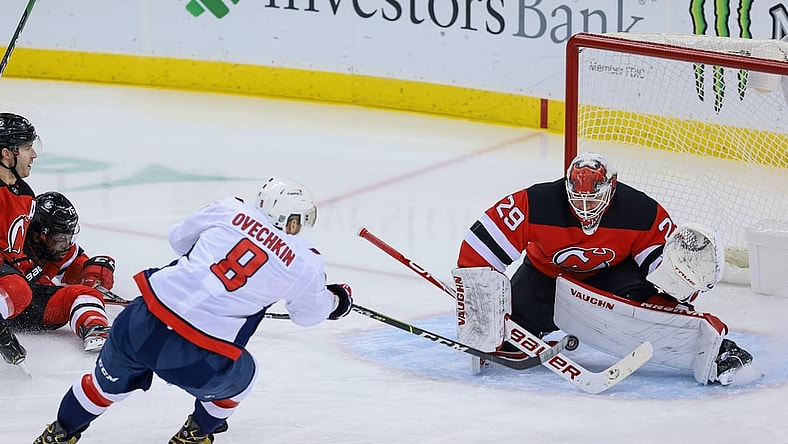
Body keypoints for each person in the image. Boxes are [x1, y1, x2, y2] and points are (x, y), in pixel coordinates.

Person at [35, 177, 354, 444]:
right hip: (193, 355)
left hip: (139, 319)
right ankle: (196, 432)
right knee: (245, 374)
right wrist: (337, 300)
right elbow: (308, 315)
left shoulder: (230, 209)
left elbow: (179, 240)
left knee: (102, 387)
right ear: (296, 220)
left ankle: (58, 433)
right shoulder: (304, 261)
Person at [455, 151, 753, 385]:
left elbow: (666, 275)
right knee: (508, 339)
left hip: (613, 278)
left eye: (594, 198)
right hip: (546, 278)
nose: (585, 207)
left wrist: (682, 288)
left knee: (657, 309)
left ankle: (719, 350)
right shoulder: (535, 203)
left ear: (612, 187)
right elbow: (481, 248)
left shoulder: (641, 211)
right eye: (578, 198)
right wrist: (481, 314)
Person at [9, 191, 116, 354]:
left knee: (98, 269)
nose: (66, 244)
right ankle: (96, 329)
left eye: (70, 237)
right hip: (14, 307)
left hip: (27, 295)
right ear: (38, 236)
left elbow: (78, 265)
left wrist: (94, 275)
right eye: (60, 238)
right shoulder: (13, 247)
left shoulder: (49, 246)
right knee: (77, 295)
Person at [0, 112, 41, 366]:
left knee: (19, 291)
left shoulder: (25, 194)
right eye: (27, 147)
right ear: (7, 153)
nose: (34, 154)